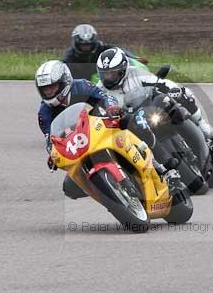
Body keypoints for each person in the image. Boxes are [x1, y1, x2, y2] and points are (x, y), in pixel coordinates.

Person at [35, 59, 176, 199]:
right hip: (80, 143)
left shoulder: (81, 86)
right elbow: (51, 139)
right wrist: (52, 155)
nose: (49, 92)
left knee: (133, 121)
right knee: (69, 188)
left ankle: (167, 165)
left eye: (52, 87)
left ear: (64, 81)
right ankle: (109, 195)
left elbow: (104, 96)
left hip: (102, 125)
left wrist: (110, 107)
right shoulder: (44, 113)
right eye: (45, 89)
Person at [94, 47, 213, 151]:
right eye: (105, 74)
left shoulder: (136, 74)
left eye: (112, 73)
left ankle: (205, 129)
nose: (108, 78)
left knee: (183, 95)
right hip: (129, 126)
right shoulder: (99, 89)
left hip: (148, 110)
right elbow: (93, 111)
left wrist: (174, 90)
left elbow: (161, 83)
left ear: (123, 69)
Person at [61, 24, 147, 81]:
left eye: (89, 45)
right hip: (82, 87)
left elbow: (118, 51)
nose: (86, 48)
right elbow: (63, 70)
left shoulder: (101, 48)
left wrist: (134, 58)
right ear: (76, 44)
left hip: (104, 82)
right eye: (83, 45)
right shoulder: (70, 56)